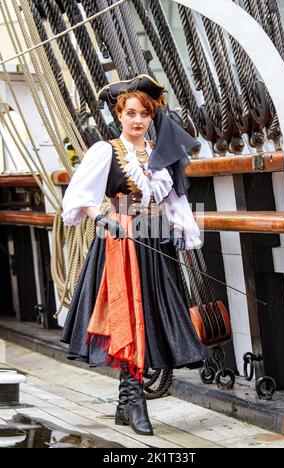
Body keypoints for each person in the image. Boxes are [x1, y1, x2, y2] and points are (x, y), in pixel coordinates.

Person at [61, 74, 211, 436]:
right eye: (130, 113)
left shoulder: (161, 156)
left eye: (144, 113)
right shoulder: (106, 151)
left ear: (151, 116)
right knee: (127, 318)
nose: (137, 120)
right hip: (121, 242)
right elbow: (77, 198)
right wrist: (101, 218)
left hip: (155, 244)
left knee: (152, 317)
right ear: (120, 115)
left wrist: (179, 230)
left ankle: (126, 402)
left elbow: (174, 200)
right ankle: (134, 400)